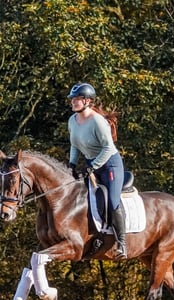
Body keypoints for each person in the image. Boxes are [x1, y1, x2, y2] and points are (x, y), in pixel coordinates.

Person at [66, 82, 127, 259]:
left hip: (110, 165)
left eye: (77, 99)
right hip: (91, 165)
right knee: (81, 198)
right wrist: (71, 164)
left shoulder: (97, 122)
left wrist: (92, 166)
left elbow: (108, 148)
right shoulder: (72, 120)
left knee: (112, 201)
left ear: (87, 101)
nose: (73, 102)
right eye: (73, 99)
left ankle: (121, 242)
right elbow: (74, 145)